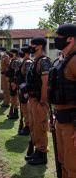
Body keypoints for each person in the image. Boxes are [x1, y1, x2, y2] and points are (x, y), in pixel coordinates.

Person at [48, 23, 76, 178]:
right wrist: (53, 116)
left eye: (59, 37)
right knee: (63, 162)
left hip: (72, 123)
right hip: (61, 119)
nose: (56, 40)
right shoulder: (61, 60)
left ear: (70, 38)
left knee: (73, 166)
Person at [25, 37, 51, 165]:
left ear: (39, 46)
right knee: (34, 126)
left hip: (39, 100)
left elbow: (45, 83)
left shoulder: (44, 61)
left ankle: (42, 154)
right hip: (32, 98)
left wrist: (42, 100)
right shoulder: (36, 61)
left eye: (33, 45)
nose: (31, 47)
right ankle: (37, 151)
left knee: (40, 126)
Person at [17, 46, 33, 135]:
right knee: (23, 109)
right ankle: (27, 125)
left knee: (26, 110)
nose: (20, 53)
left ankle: (28, 127)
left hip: (25, 90)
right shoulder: (23, 62)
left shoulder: (28, 62)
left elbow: (28, 78)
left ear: (26, 53)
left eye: (22, 51)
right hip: (22, 89)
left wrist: (25, 90)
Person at [6, 48, 21, 119]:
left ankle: (15, 114)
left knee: (14, 98)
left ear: (15, 53)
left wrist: (14, 82)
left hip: (14, 83)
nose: (10, 54)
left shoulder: (16, 61)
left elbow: (16, 73)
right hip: (12, 82)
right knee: (13, 98)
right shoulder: (13, 60)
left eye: (11, 53)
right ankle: (13, 112)